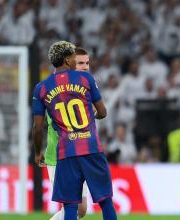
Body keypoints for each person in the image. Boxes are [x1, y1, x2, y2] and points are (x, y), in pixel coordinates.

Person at [32, 41, 117, 220]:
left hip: (66, 153)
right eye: (73, 57)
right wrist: (88, 119)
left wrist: (37, 152)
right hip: (90, 148)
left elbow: (37, 127)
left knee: (70, 205)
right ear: (68, 59)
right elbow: (102, 112)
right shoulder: (85, 80)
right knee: (105, 200)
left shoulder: (42, 88)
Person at [43, 47, 91, 220]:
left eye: (87, 63)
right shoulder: (55, 87)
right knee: (73, 207)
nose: (85, 67)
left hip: (79, 153)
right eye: (80, 63)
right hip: (60, 155)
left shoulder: (84, 85)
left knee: (81, 209)